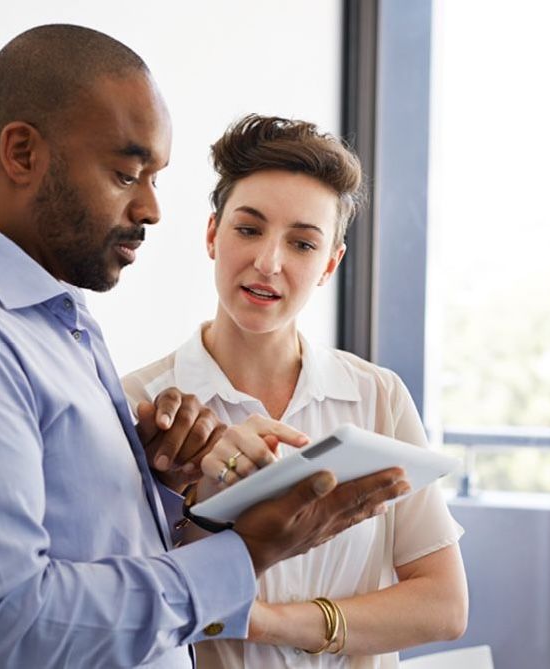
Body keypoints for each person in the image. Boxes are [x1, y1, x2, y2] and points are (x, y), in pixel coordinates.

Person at [0, 26, 410, 669]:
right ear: (23, 153)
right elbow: (11, 630)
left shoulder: (54, 322)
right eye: (126, 174)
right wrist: (245, 555)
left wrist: (160, 485)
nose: (151, 208)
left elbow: (79, 556)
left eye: (156, 178)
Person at [123, 115, 469, 668]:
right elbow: (120, 602)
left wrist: (265, 622)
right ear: (212, 234)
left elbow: (443, 606)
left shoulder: (376, 397)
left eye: (302, 243)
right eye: (248, 229)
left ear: (330, 262)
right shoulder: (141, 402)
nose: (268, 262)